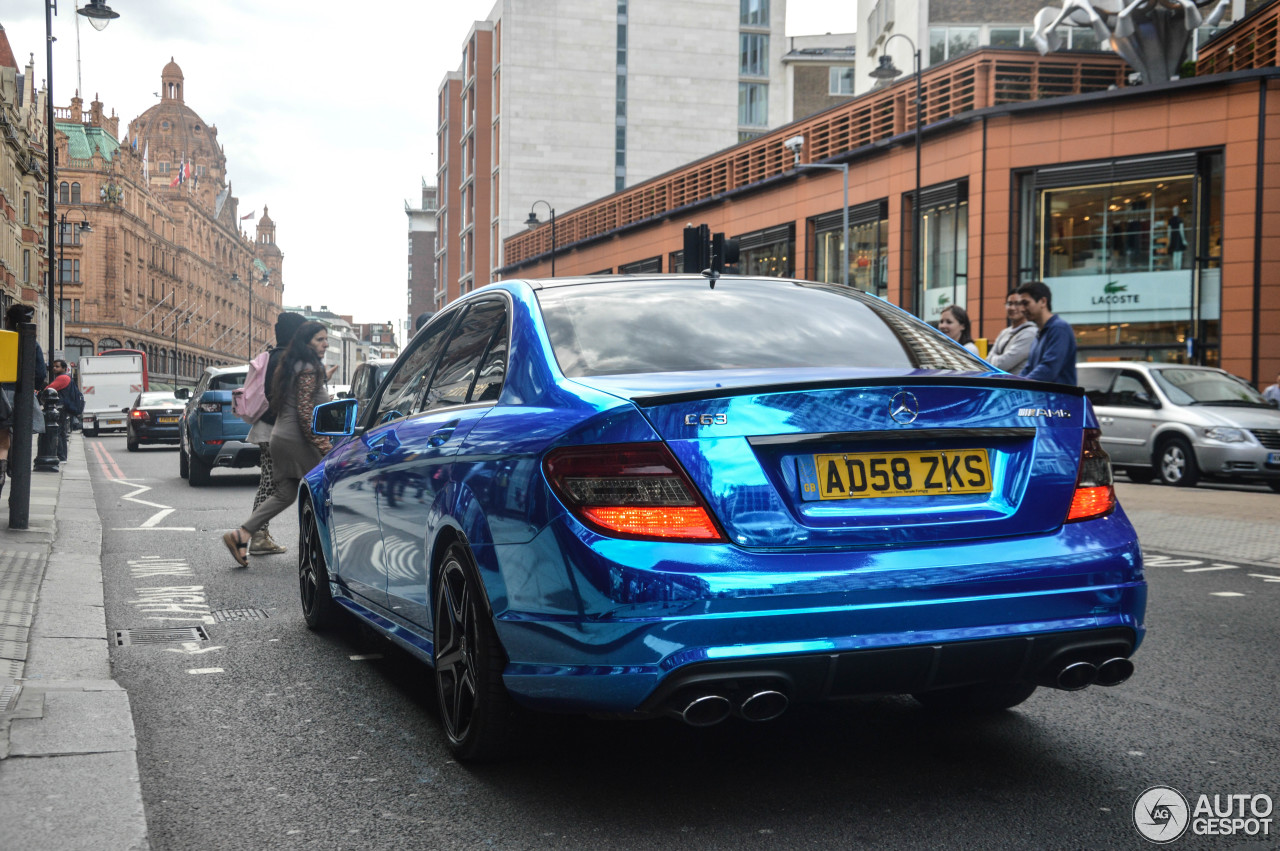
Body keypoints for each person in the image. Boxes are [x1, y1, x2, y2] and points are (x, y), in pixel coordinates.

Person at [222, 321, 332, 567]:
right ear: (306, 342)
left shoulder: (289, 365)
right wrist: (325, 447)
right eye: (319, 339)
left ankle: (241, 535)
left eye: (326, 339)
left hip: (280, 437)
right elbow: (305, 414)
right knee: (325, 490)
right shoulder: (308, 369)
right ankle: (327, 550)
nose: (325, 344)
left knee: (285, 494)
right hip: (298, 440)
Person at [244, 312, 306, 555]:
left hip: (266, 428)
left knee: (269, 484)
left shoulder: (269, 357)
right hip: (278, 431)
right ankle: (257, 535)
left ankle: (258, 534)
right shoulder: (291, 360)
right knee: (273, 486)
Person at [1016, 280, 1077, 385]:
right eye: (1020, 304)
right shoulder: (1039, 333)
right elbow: (1028, 369)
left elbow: (1049, 369)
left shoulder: (1059, 329)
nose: (1022, 309)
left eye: (1026, 303)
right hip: (1045, 399)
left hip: (1059, 400)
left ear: (1043, 302)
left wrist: (1020, 385)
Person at [987, 292, 1037, 374]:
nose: (1012, 308)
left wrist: (993, 359)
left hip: (1017, 384)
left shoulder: (1030, 333)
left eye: (1017, 304)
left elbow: (1002, 365)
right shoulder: (1004, 332)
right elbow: (986, 361)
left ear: (1025, 307)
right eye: (1009, 303)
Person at [47, 359, 84, 462]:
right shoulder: (65, 377)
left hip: (60, 408)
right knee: (61, 433)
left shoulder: (63, 378)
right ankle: (62, 456)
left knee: (58, 433)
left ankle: (61, 455)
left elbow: (49, 389)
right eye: (54, 366)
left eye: (57, 366)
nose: (54, 368)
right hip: (63, 408)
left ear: (64, 368)